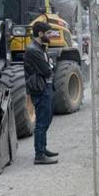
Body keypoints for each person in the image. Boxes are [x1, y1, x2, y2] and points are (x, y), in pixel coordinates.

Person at [24, 21, 59, 165]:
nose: (51, 35)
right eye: (48, 33)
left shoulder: (40, 47)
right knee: (41, 122)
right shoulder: (33, 50)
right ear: (40, 34)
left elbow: (48, 67)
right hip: (41, 89)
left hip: (46, 88)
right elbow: (46, 70)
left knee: (46, 119)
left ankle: (43, 148)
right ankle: (39, 155)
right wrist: (50, 67)